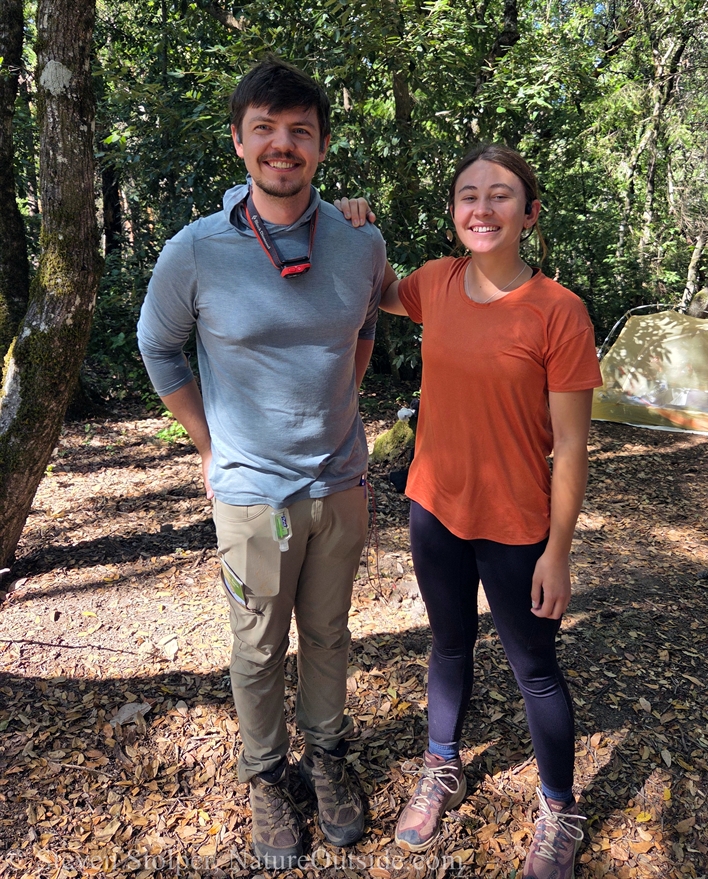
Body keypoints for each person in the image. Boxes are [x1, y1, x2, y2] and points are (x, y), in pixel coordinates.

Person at [137, 57, 387, 870]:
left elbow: (367, 324)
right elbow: (157, 345)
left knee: (327, 632)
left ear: (320, 146)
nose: (284, 146)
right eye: (267, 130)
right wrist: (209, 446)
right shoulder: (197, 250)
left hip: (339, 483)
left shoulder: (358, 240)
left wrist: (344, 402)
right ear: (240, 141)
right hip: (250, 491)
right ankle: (263, 774)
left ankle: (326, 758)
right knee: (256, 645)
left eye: (300, 133)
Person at [339, 143, 602, 878]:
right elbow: (378, 289)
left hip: (518, 525)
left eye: (500, 196)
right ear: (454, 211)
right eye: (468, 196)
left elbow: (574, 449)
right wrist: (359, 227)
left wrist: (559, 550)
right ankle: (442, 766)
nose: (482, 209)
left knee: (536, 671)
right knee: (448, 645)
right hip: (434, 509)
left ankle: (559, 810)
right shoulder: (435, 283)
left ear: (529, 212)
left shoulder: (560, 312)